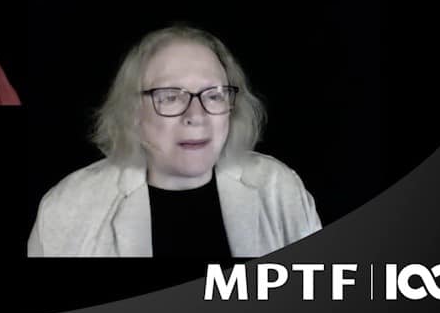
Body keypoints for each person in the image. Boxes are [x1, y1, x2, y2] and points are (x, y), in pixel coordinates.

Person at [27, 25, 320, 257]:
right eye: (169, 96)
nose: (196, 115)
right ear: (133, 112)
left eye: (214, 94)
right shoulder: (67, 207)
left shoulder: (280, 188)